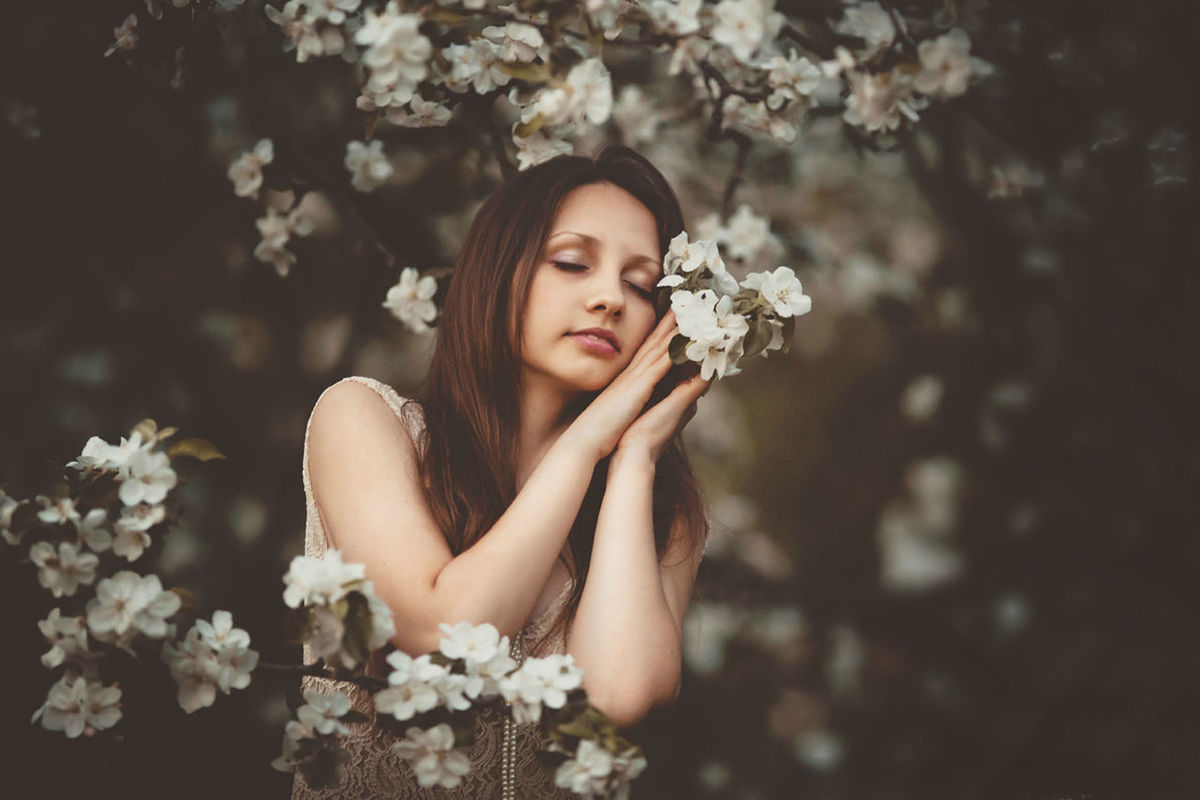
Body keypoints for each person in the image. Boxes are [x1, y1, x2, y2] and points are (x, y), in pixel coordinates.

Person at [292, 146, 712, 798]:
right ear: (498, 272)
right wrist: (587, 442)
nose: (609, 299)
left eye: (639, 284)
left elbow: (614, 697)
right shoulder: (365, 421)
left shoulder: (664, 511)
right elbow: (441, 635)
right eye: (573, 263)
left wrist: (632, 458)